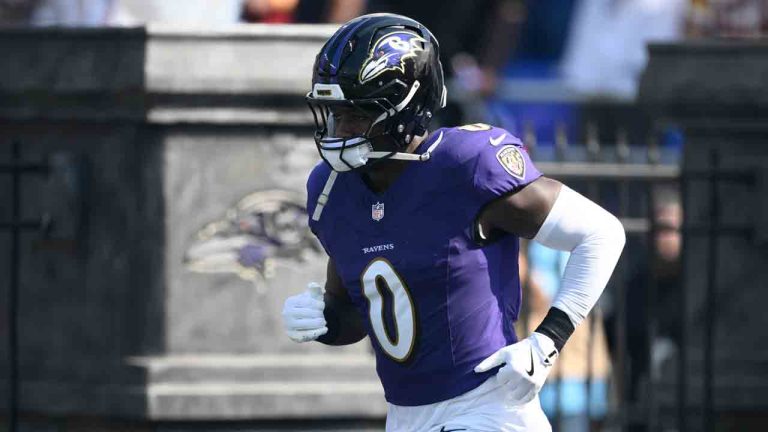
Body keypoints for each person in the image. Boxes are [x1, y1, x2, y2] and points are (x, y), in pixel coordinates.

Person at [282, 13, 625, 431]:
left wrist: (547, 340)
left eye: (354, 115)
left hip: (486, 408)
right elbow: (356, 315)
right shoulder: (332, 188)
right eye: (334, 114)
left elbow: (602, 233)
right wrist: (322, 320)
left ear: (403, 108)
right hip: (405, 416)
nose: (339, 129)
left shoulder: (465, 164)